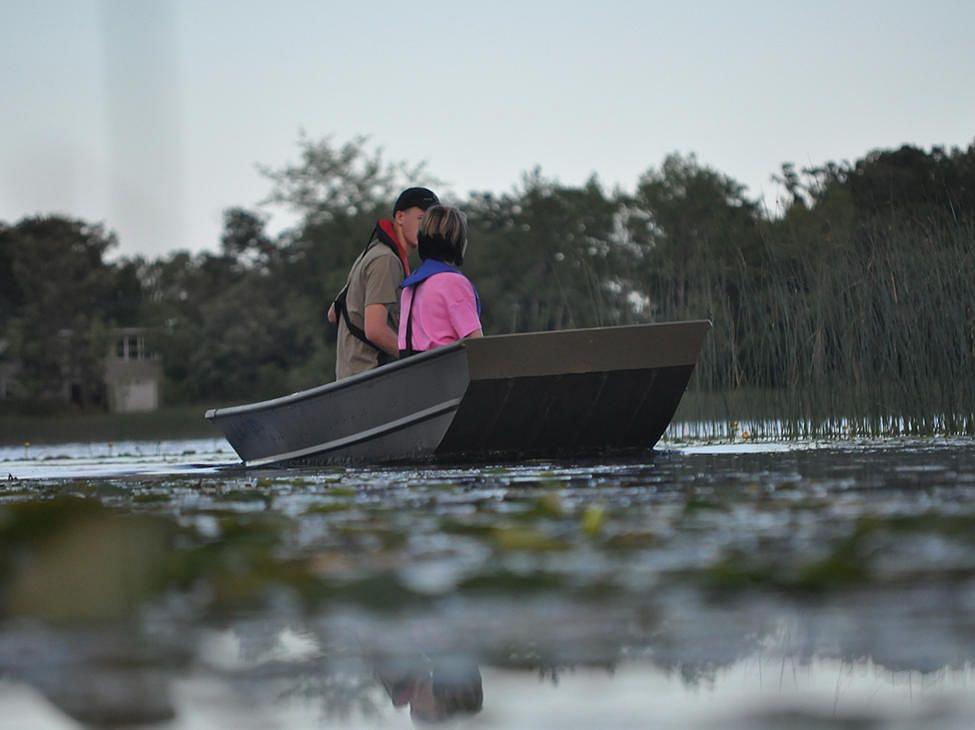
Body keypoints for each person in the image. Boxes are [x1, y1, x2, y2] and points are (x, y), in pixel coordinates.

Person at [329, 187, 439, 379]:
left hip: (351, 380)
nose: (427, 228)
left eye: (431, 222)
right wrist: (417, 359)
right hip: (369, 379)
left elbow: (333, 313)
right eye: (421, 219)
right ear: (400, 217)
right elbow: (375, 330)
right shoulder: (386, 260)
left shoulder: (373, 252)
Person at [398, 205, 482, 357]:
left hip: (413, 374)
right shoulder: (453, 283)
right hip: (448, 373)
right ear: (459, 241)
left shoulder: (410, 287)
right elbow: (476, 343)